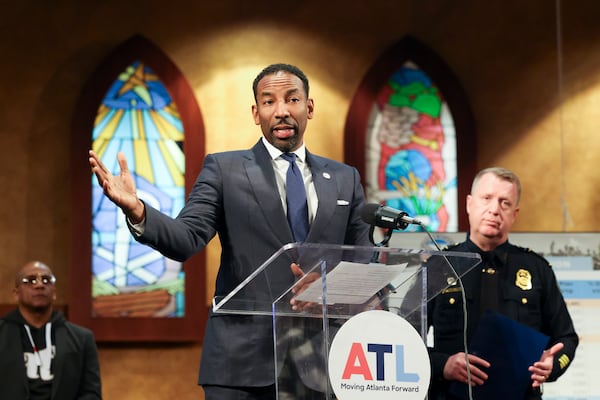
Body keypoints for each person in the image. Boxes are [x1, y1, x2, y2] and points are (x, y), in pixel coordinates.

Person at [89, 63, 370, 400]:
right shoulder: (224, 169)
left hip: (326, 364)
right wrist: (137, 209)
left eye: (292, 99)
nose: (281, 111)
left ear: (309, 108)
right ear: (256, 112)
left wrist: (331, 287)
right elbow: (186, 238)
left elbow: (363, 260)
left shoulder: (344, 179)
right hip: (243, 363)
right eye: (269, 102)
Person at [426, 167, 578, 400]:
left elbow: (566, 338)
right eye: (487, 198)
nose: (494, 209)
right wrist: (442, 364)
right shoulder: (440, 265)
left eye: (505, 203)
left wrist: (553, 365)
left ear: (514, 213)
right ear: (469, 203)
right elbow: (405, 338)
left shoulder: (536, 268)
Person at [0, 261, 102, 399]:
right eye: (31, 280)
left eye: (46, 280)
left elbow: (92, 394)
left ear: (54, 292)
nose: (40, 285)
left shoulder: (82, 338)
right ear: (16, 293)